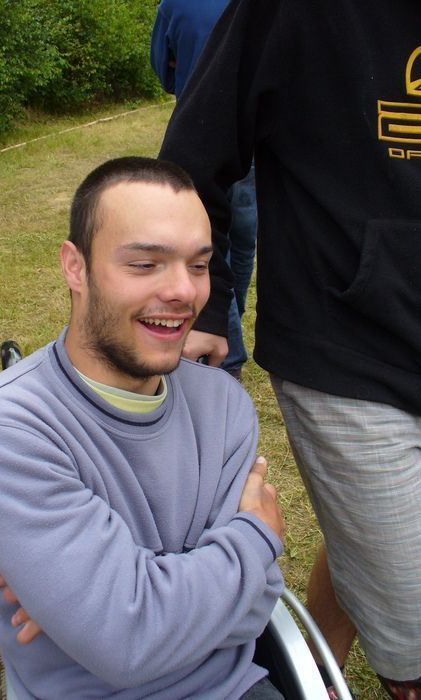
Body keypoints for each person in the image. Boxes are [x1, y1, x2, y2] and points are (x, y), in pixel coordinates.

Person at [0, 157, 285, 699]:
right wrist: (254, 539)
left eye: (199, 265)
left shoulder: (224, 405)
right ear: (74, 267)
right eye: (146, 264)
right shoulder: (3, 431)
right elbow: (128, 644)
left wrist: (88, 606)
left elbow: (259, 603)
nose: (184, 291)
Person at [158, 2, 421, 698]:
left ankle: (319, 675)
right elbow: (195, 156)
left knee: (373, 538)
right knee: (414, 651)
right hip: (348, 346)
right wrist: (206, 301)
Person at [150, 0, 258, 379]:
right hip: (250, 137)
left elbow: (163, 71)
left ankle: (223, 338)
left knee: (207, 243)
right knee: (242, 238)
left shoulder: (174, 4)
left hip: (196, 135)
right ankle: (228, 318)